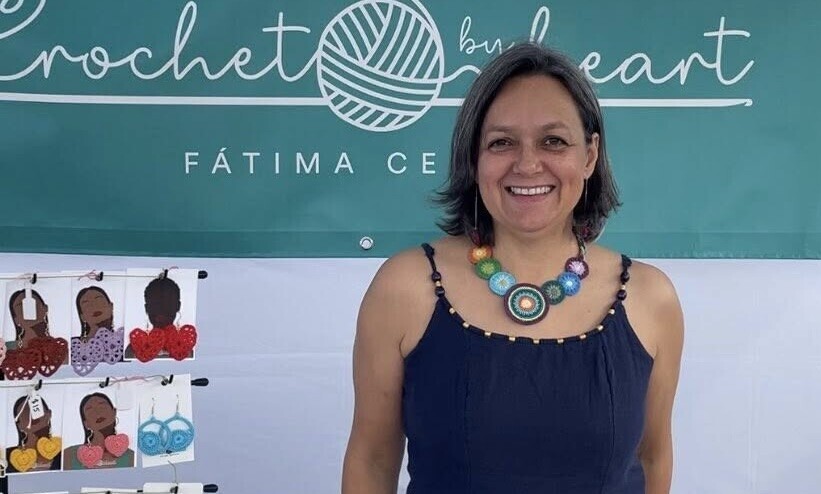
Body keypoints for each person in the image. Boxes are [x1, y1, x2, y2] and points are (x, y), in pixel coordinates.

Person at [342, 42, 684, 494]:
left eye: (553, 141)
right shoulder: (405, 287)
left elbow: (653, 457)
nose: (527, 164)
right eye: (502, 142)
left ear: (589, 155)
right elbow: (371, 460)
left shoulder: (650, 298)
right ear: (474, 158)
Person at [124, 276, 191, 359]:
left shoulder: (186, 349)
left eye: (168, 303)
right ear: (147, 308)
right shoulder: (134, 349)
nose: (161, 309)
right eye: (155, 304)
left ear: (178, 306)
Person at [63, 393, 135, 470]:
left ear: (114, 412)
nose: (97, 412)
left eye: (102, 406)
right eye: (90, 410)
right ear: (86, 423)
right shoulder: (68, 455)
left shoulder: (132, 457)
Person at [6, 395, 62, 472]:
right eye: (25, 412)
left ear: (49, 414)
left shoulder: (66, 455)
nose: (32, 417)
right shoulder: (5, 457)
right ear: (19, 425)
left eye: (37, 410)